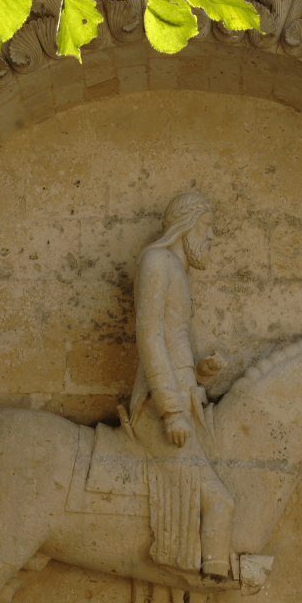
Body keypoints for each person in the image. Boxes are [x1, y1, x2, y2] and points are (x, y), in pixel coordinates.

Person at [129, 192, 235, 579]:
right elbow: (150, 335)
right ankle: (208, 583)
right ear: (188, 225)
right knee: (219, 502)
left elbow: (173, 342)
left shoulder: (175, 269)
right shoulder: (157, 261)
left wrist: (200, 373)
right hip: (162, 411)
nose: (212, 238)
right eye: (208, 228)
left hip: (183, 405)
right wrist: (172, 409)